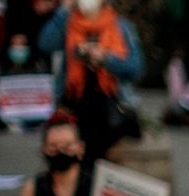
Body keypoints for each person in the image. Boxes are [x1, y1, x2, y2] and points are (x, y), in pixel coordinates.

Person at [37, 0, 142, 164]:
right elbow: (45, 44)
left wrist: (105, 58)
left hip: (111, 109)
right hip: (74, 106)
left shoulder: (121, 26)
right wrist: (64, 10)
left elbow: (136, 68)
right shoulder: (68, 23)